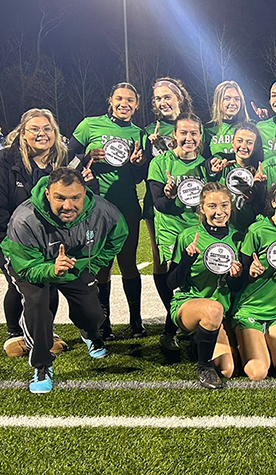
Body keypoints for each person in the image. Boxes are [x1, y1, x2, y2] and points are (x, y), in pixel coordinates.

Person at [0, 167, 128, 393]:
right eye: (60, 198)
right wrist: (52, 270)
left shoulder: (104, 211)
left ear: (84, 193)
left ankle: (91, 335)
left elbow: (118, 236)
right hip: (33, 266)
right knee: (38, 304)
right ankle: (41, 365)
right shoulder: (24, 219)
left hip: (74, 264)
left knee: (93, 314)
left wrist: (93, 265)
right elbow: (27, 268)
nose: (68, 206)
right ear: (48, 193)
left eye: (75, 198)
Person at [0, 109, 85, 356]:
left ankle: (38, 331)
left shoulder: (61, 161)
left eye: (47, 129)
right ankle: (19, 334)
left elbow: (79, 194)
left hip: (47, 240)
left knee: (47, 282)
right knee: (29, 284)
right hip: (8, 238)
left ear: (55, 133)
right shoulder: (0, 164)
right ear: (22, 133)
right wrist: (10, 243)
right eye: (34, 129)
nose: (41, 134)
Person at [70, 82, 147, 340]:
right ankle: (105, 323)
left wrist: (138, 164)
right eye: (119, 98)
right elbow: (64, 159)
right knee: (102, 265)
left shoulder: (139, 133)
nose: (124, 104)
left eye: (130, 100)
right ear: (110, 100)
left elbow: (138, 178)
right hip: (96, 208)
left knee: (128, 264)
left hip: (127, 206)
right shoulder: (89, 125)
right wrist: (85, 156)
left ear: (136, 105)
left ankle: (136, 321)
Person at [166, 183, 242, 388]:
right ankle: (204, 368)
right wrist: (186, 261)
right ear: (202, 208)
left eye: (224, 205)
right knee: (212, 308)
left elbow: (236, 287)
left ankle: (197, 340)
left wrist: (236, 275)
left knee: (227, 369)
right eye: (212, 206)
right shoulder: (188, 237)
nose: (219, 212)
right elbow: (171, 283)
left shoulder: (237, 238)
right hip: (190, 305)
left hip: (222, 310)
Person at [231, 180, 276, 381]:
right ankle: (236, 341)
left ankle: (261, 342)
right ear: (273, 202)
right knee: (258, 372)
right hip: (249, 310)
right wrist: (250, 272)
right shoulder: (258, 230)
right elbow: (238, 280)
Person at [147, 115, 208, 350]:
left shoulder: (206, 164)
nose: (188, 138)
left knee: (199, 278)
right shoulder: (160, 163)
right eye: (184, 133)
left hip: (197, 230)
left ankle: (191, 327)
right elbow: (159, 204)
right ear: (175, 135)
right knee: (175, 280)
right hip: (172, 231)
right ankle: (171, 329)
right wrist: (170, 196)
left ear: (200, 136)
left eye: (194, 133)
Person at [143, 77, 194, 351]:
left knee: (190, 262)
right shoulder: (149, 130)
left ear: (179, 98)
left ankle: (183, 317)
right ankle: (174, 316)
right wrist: (142, 159)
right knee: (163, 262)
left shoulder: (197, 125)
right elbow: (143, 173)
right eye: (158, 99)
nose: (163, 102)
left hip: (193, 209)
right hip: (161, 205)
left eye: (167, 97)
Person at [205, 80, 251, 156]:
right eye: (227, 98)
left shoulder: (250, 126)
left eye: (237, 99)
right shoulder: (208, 129)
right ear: (218, 101)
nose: (233, 103)